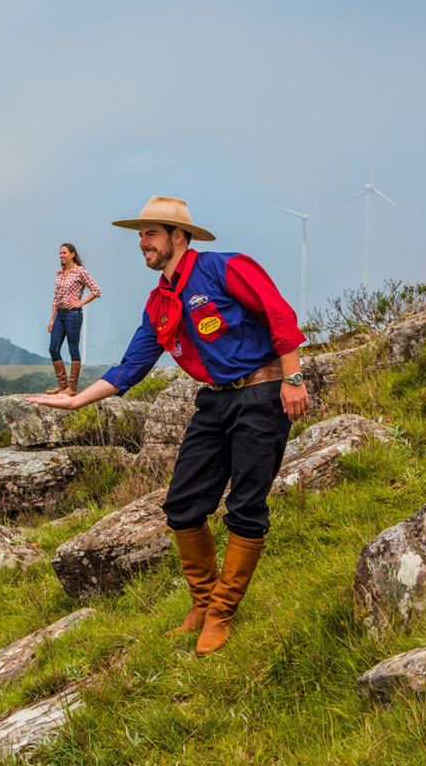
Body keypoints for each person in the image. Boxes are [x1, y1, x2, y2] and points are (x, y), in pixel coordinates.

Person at [30, 196, 309, 656]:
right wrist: (77, 399)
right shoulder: (159, 302)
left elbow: (279, 313)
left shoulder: (224, 268)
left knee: (245, 507)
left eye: (151, 234)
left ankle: (221, 614)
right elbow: (131, 366)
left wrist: (293, 378)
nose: (142, 244)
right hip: (215, 400)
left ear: (178, 236)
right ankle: (202, 604)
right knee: (182, 503)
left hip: (262, 392)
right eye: (140, 236)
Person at [44, 243, 102, 396]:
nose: (62, 256)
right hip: (60, 314)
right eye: (60, 253)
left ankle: (72, 387)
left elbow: (96, 290)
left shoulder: (79, 271)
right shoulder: (59, 272)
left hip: (73, 314)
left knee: (73, 348)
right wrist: (51, 319)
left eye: (64, 253)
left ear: (72, 254)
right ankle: (62, 385)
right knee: (53, 348)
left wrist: (80, 302)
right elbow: (55, 298)